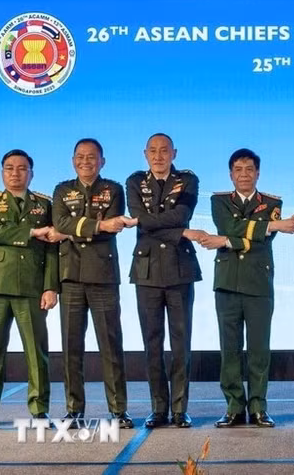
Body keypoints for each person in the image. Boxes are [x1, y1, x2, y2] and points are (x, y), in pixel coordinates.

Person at [201, 148, 294, 428]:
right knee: (229, 348)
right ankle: (234, 406)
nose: (244, 174)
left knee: (259, 349)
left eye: (249, 169)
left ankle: (258, 406)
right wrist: (269, 225)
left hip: (258, 283)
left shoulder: (272, 202)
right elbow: (228, 224)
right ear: (231, 174)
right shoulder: (219, 201)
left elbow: (258, 240)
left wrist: (226, 241)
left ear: (258, 173)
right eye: (238, 169)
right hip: (227, 283)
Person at [0, 150, 60, 428]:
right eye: (9, 168)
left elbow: (53, 248)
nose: (15, 173)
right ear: (2, 172)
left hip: (32, 287)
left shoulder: (44, 204)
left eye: (22, 168)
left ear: (31, 173)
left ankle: (40, 411)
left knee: (36, 351)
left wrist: (50, 287)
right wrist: (31, 233)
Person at [52, 138, 135, 428]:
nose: (85, 161)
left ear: (102, 161)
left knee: (111, 346)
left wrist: (79, 229)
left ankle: (118, 410)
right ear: (73, 160)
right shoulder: (63, 190)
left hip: (103, 277)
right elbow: (60, 224)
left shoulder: (114, 189)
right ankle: (74, 410)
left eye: (92, 157)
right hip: (71, 276)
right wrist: (97, 225)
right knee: (71, 347)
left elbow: (114, 227)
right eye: (80, 156)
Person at [126, 133, 204, 428]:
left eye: (164, 151)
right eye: (153, 151)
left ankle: (180, 409)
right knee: (152, 342)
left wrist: (157, 223)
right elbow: (139, 218)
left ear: (174, 153)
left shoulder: (188, 181)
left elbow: (180, 214)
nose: (158, 156)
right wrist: (182, 233)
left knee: (181, 342)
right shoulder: (135, 182)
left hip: (179, 268)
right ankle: (159, 408)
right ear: (145, 154)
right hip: (146, 271)